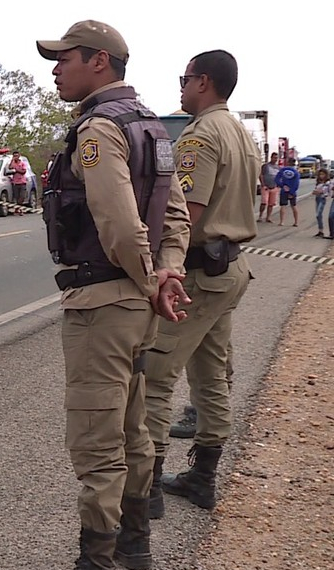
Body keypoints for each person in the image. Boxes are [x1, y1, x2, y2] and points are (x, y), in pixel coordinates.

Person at [37, 20, 191, 570]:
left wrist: (151, 279)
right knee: (133, 433)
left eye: (65, 58)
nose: (56, 69)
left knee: (98, 444)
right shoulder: (152, 126)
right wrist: (167, 273)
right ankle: (135, 549)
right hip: (139, 307)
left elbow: (120, 227)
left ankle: (98, 559)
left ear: (98, 61)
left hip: (103, 303)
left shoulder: (100, 129)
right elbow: (174, 216)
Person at [143, 50, 259, 522]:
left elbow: (184, 214)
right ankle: (203, 479)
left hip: (197, 273)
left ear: (203, 82)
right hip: (229, 270)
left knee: (155, 376)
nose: (181, 86)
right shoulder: (239, 133)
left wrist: (155, 265)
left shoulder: (201, 135)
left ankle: (145, 488)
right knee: (211, 377)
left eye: (185, 78)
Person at [258, 152, 281, 223]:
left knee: (271, 204)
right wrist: (263, 184)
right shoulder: (266, 166)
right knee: (264, 202)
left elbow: (279, 177)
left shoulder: (278, 168)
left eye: (276, 158)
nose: (275, 159)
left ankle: (268, 217)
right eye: (274, 158)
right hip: (266, 187)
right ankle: (260, 216)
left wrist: (278, 185)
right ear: (271, 157)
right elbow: (261, 175)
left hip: (274, 187)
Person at [7, 150, 29, 215]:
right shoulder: (12, 163)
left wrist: (16, 170)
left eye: (17, 156)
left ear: (19, 156)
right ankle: (18, 209)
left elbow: (23, 171)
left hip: (22, 182)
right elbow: (10, 168)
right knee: (16, 197)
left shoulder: (22, 163)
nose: (15, 157)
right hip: (15, 183)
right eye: (14, 156)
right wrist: (12, 161)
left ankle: (19, 209)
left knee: (22, 197)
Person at [312, 168, 331, 237]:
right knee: (318, 215)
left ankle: (321, 230)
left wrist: (318, 192)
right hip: (317, 198)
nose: (321, 176)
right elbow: (315, 191)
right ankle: (320, 230)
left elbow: (324, 191)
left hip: (322, 198)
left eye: (323, 174)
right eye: (320, 174)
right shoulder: (319, 183)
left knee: (318, 214)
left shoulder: (327, 183)